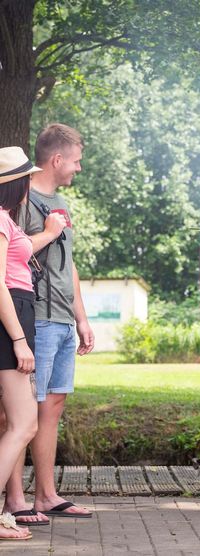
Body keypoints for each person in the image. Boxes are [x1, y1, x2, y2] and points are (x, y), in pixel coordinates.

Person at [2, 124, 94, 523]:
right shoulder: (19, 199)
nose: (77, 169)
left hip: (60, 317)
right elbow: (14, 260)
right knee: (22, 412)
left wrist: (81, 316)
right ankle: (16, 500)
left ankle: (46, 495)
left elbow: (67, 263)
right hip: (32, 316)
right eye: (75, 161)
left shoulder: (62, 204)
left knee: (52, 405)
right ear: (57, 159)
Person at [0, 147, 43, 540]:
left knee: (19, 422)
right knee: (24, 423)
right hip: (10, 320)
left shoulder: (7, 220)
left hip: (18, 314)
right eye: (27, 177)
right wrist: (19, 340)